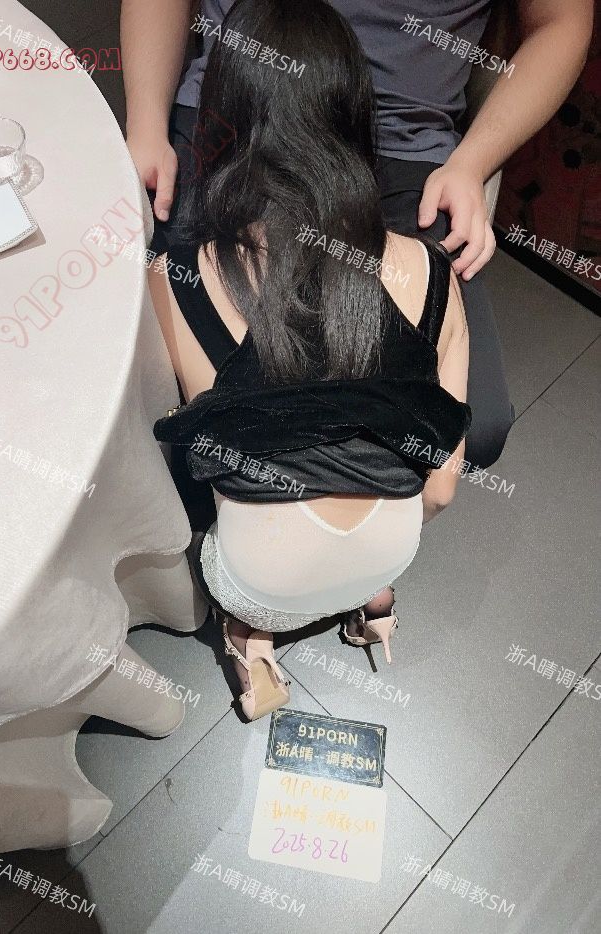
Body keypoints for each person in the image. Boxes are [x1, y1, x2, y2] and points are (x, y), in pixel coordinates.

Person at [149, 0, 471, 720]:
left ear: (220, 120)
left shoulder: (177, 280)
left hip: (264, 572)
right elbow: (443, 490)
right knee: (372, 524)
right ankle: (372, 606)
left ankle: (251, 640)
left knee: (240, 544)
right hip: (392, 551)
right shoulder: (432, 273)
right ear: (358, 117)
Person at [122, 0, 593, 471]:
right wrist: (146, 124)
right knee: (130, 370)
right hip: (241, 103)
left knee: (472, 427)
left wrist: (472, 164)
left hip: (402, 141)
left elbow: (562, 22)